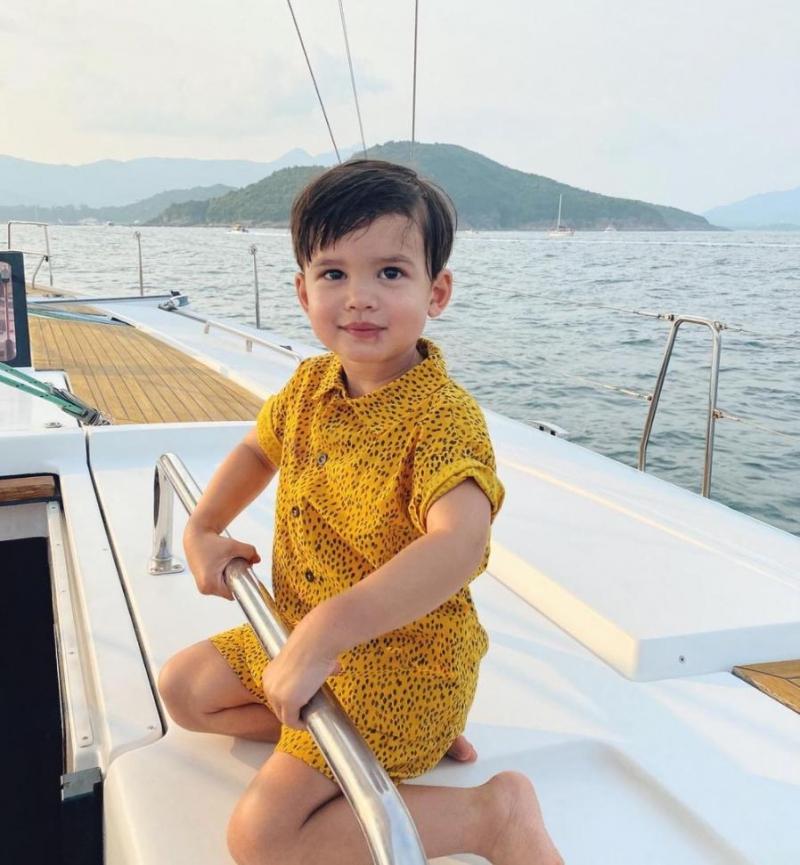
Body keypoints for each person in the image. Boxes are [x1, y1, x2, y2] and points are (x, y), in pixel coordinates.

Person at [158, 160, 562, 865]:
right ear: (303, 289)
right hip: (301, 636)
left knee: (262, 838)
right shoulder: (311, 382)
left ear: (437, 292)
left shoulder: (443, 418)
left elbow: (460, 542)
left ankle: (490, 815)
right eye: (334, 273)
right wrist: (202, 527)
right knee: (183, 691)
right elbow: (258, 449)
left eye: (391, 273)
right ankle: (361, 750)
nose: (360, 298)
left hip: (403, 668)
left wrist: (328, 630)